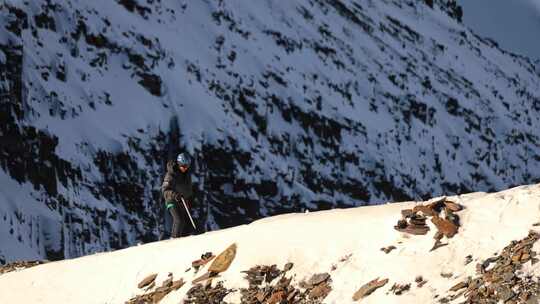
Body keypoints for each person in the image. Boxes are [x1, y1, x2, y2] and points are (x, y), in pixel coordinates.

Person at [161, 152, 195, 238]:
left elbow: (187, 188)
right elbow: (165, 190)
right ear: (179, 164)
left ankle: (180, 240)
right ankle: (174, 240)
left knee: (185, 222)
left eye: (187, 166)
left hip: (182, 200)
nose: (185, 168)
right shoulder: (171, 174)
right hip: (171, 200)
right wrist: (175, 195)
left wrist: (188, 196)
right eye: (183, 166)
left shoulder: (186, 174)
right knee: (179, 220)